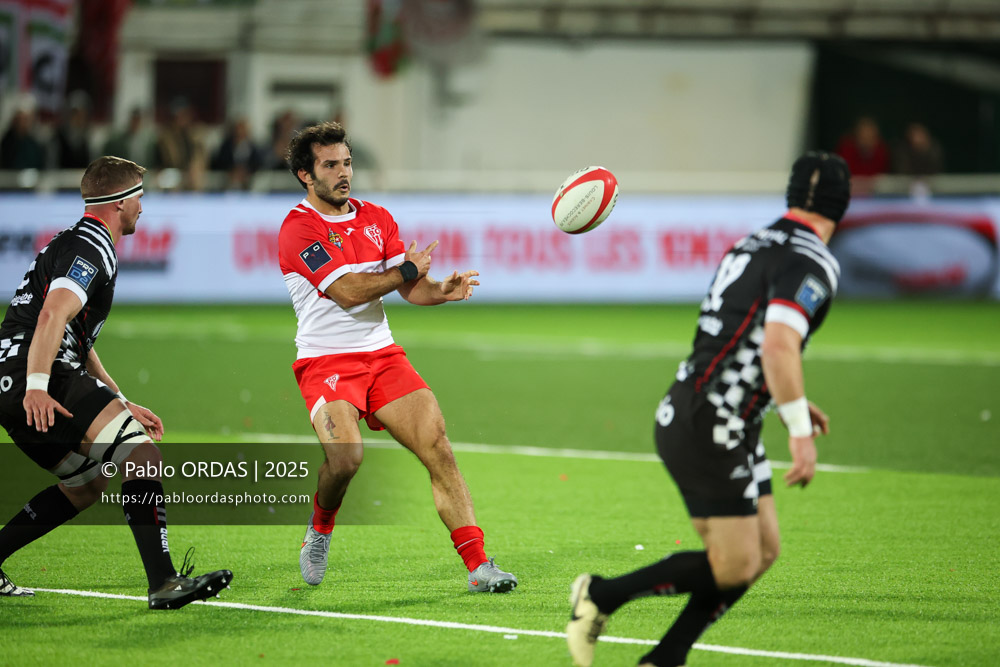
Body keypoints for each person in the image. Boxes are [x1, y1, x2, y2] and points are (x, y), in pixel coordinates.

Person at [566, 151, 850, 667]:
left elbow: (737, 338)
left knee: (762, 551)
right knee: (735, 561)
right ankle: (601, 594)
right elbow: (778, 345)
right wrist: (798, 428)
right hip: (711, 421)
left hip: (718, 414)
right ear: (842, 205)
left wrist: (787, 396)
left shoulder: (751, 243)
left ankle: (665, 657)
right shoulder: (813, 260)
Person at [279, 121, 517, 593]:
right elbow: (348, 292)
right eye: (330, 165)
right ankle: (321, 526)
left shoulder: (377, 217)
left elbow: (411, 289)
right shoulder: (298, 229)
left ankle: (478, 566)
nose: (343, 173)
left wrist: (440, 290)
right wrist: (406, 269)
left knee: (438, 448)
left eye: (347, 163)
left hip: (382, 356)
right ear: (306, 175)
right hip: (327, 362)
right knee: (346, 460)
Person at [0, 156, 232, 609]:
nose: (143, 207)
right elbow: (52, 316)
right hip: (40, 374)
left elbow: (74, 334)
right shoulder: (93, 247)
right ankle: (163, 583)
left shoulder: (71, 241)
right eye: (139, 197)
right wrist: (37, 385)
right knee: (141, 456)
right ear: (120, 203)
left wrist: (119, 399)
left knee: (85, 486)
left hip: (10, 379)